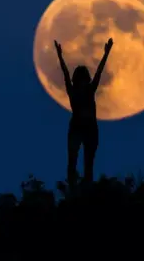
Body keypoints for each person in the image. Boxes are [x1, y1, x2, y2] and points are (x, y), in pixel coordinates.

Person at [54, 38, 113, 190]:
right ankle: (73, 188)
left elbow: (99, 72)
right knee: (72, 161)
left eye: (84, 79)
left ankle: (87, 189)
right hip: (77, 128)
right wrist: (60, 56)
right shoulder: (73, 91)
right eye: (80, 79)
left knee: (89, 163)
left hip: (90, 129)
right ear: (77, 80)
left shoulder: (90, 89)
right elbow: (65, 73)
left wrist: (106, 54)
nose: (82, 82)